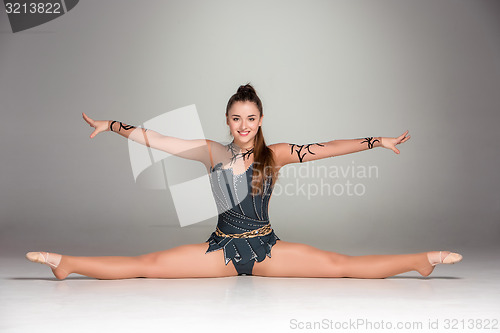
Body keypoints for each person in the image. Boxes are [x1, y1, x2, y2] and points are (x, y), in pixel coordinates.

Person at [26, 84, 462, 280]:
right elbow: (157, 139)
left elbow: (327, 147)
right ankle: (68, 264)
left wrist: (377, 141)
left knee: (341, 267)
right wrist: (111, 125)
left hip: (267, 248)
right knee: (147, 266)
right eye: (236, 118)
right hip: (219, 249)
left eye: (250, 118)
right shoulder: (211, 153)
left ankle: (419, 261)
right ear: (228, 120)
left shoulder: (277, 154)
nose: (243, 125)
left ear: (260, 120)